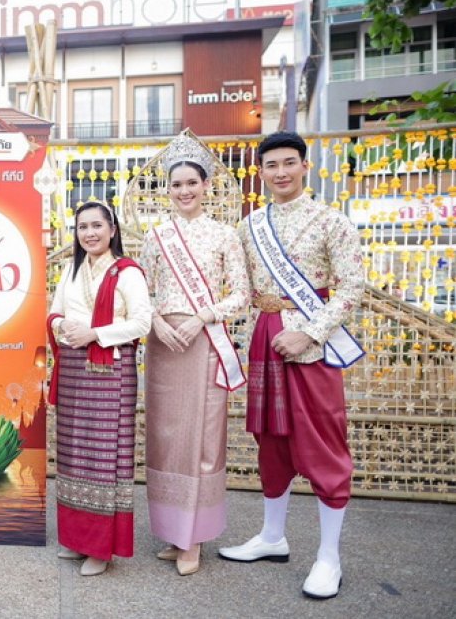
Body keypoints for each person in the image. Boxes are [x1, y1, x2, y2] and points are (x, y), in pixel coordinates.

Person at [218, 131, 364, 600]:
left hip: (313, 345)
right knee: (270, 439)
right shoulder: (249, 226)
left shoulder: (331, 222)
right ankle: (272, 537)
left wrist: (310, 332)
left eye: (288, 163)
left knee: (322, 441)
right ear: (260, 173)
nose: (280, 172)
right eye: (271, 166)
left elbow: (351, 288)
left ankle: (329, 558)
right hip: (264, 335)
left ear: (304, 165)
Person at [139, 133, 249, 576]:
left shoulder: (224, 235)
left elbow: (241, 294)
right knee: (166, 438)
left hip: (203, 341)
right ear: (167, 190)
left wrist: (201, 316)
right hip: (164, 344)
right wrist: (159, 323)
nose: (184, 191)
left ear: (207, 186)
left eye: (191, 183)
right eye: (176, 184)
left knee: (200, 438)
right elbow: (140, 291)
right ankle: (172, 532)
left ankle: (194, 540)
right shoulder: (156, 236)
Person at [46, 200, 152, 576]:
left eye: (96, 226)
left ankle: (101, 548)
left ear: (112, 230)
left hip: (111, 372)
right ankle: (77, 539)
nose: (89, 233)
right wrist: (64, 328)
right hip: (75, 367)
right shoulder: (71, 270)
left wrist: (95, 333)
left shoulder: (128, 272)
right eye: (82, 227)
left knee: (104, 458)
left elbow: (142, 323)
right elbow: (54, 312)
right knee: (74, 452)